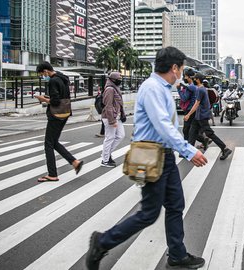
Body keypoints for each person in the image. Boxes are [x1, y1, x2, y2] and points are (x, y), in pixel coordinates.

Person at [86, 47, 208, 270]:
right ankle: (102, 242)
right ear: (174, 68)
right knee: (149, 213)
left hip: (164, 156)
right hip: (151, 155)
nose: (181, 73)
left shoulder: (161, 87)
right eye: (180, 68)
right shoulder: (152, 88)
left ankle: (177, 255)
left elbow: (166, 125)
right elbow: (162, 125)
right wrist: (189, 151)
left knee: (175, 205)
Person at [34, 62, 83, 182]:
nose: (42, 77)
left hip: (55, 115)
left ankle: (52, 174)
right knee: (54, 142)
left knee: (48, 144)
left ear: (46, 71)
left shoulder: (53, 81)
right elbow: (61, 97)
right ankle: (74, 162)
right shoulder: (63, 77)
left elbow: (55, 101)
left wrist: (43, 99)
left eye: (41, 74)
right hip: (65, 113)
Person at [185, 73, 233, 160]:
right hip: (199, 115)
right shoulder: (203, 89)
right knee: (192, 132)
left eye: (194, 79)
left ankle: (225, 149)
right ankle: (189, 152)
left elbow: (196, 104)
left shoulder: (200, 90)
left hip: (202, 116)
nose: (193, 80)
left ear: (198, 80)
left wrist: (188, 114)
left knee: (209, 133)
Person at [100, 72, 126, 167]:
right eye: (119, 79)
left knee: (121, 135)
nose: (120, 81)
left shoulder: (115, 88)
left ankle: (105, 154)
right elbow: (108, 106)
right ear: (113, 79)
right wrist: (112, 120)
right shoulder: (110, 89)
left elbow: (118, 104)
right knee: (110, 138)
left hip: (117, 117)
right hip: (109, 117)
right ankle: (105, 160)